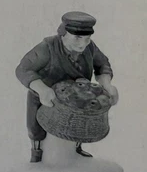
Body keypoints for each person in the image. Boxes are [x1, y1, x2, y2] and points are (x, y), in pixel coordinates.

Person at [15, 11, 118, 163]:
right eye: (77, 38)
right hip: (47, 98)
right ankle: (36, 155)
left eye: (87, 38)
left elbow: (102, 64)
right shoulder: (47, 47)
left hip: (78, 99)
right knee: (35, 128)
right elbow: (23, 69)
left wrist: (107, 84)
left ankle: (76, 149)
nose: (83, 44)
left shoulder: (90, 47)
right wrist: (42, 89)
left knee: (79, 124)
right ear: (63, 33)